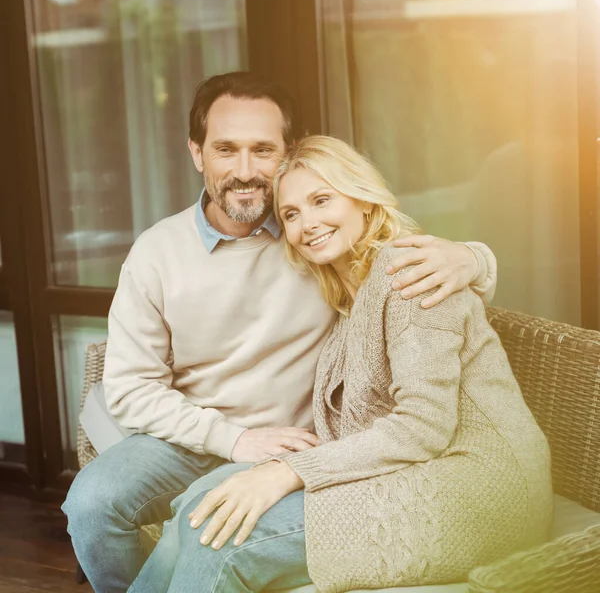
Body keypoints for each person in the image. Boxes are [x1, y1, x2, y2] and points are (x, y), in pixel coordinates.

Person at [62, 73, 498, 593]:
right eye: (226, 149)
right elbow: (131, 390)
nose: (244, 171)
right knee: (90, 504)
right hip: (196, 433)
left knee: (204, 525)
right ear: (198, 153)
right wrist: (234, 439)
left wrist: (473, 258)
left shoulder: (311, 237)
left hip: (302, 439)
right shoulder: (156, 253)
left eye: (263, 150)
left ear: (286, 155)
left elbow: (396, 257)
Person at [127, 135, 552, 593]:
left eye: (321, 200)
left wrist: (288, 472)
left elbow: (424, 427)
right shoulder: (342, 300)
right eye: (291, 214)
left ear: (364, 203)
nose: (307, 223)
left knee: (218, 539)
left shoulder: (409, 275)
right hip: (411, 469)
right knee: (200, 509)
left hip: (479, 490)